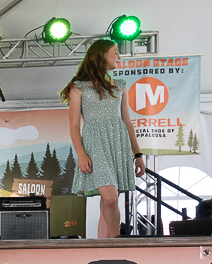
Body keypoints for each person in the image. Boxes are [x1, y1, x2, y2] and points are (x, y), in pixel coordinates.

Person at [60, 39, 147, 238]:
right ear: (100, 55)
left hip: (118, 143)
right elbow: (73, 126)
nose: (119, 56)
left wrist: (138, 154)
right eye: (115, 52)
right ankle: (117, 241)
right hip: (94, 145)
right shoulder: (78, 87)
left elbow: (127, 121)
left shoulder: (120, 85)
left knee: (108, 202)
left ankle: (103, 246)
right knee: (109, 198)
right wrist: (81, 154)